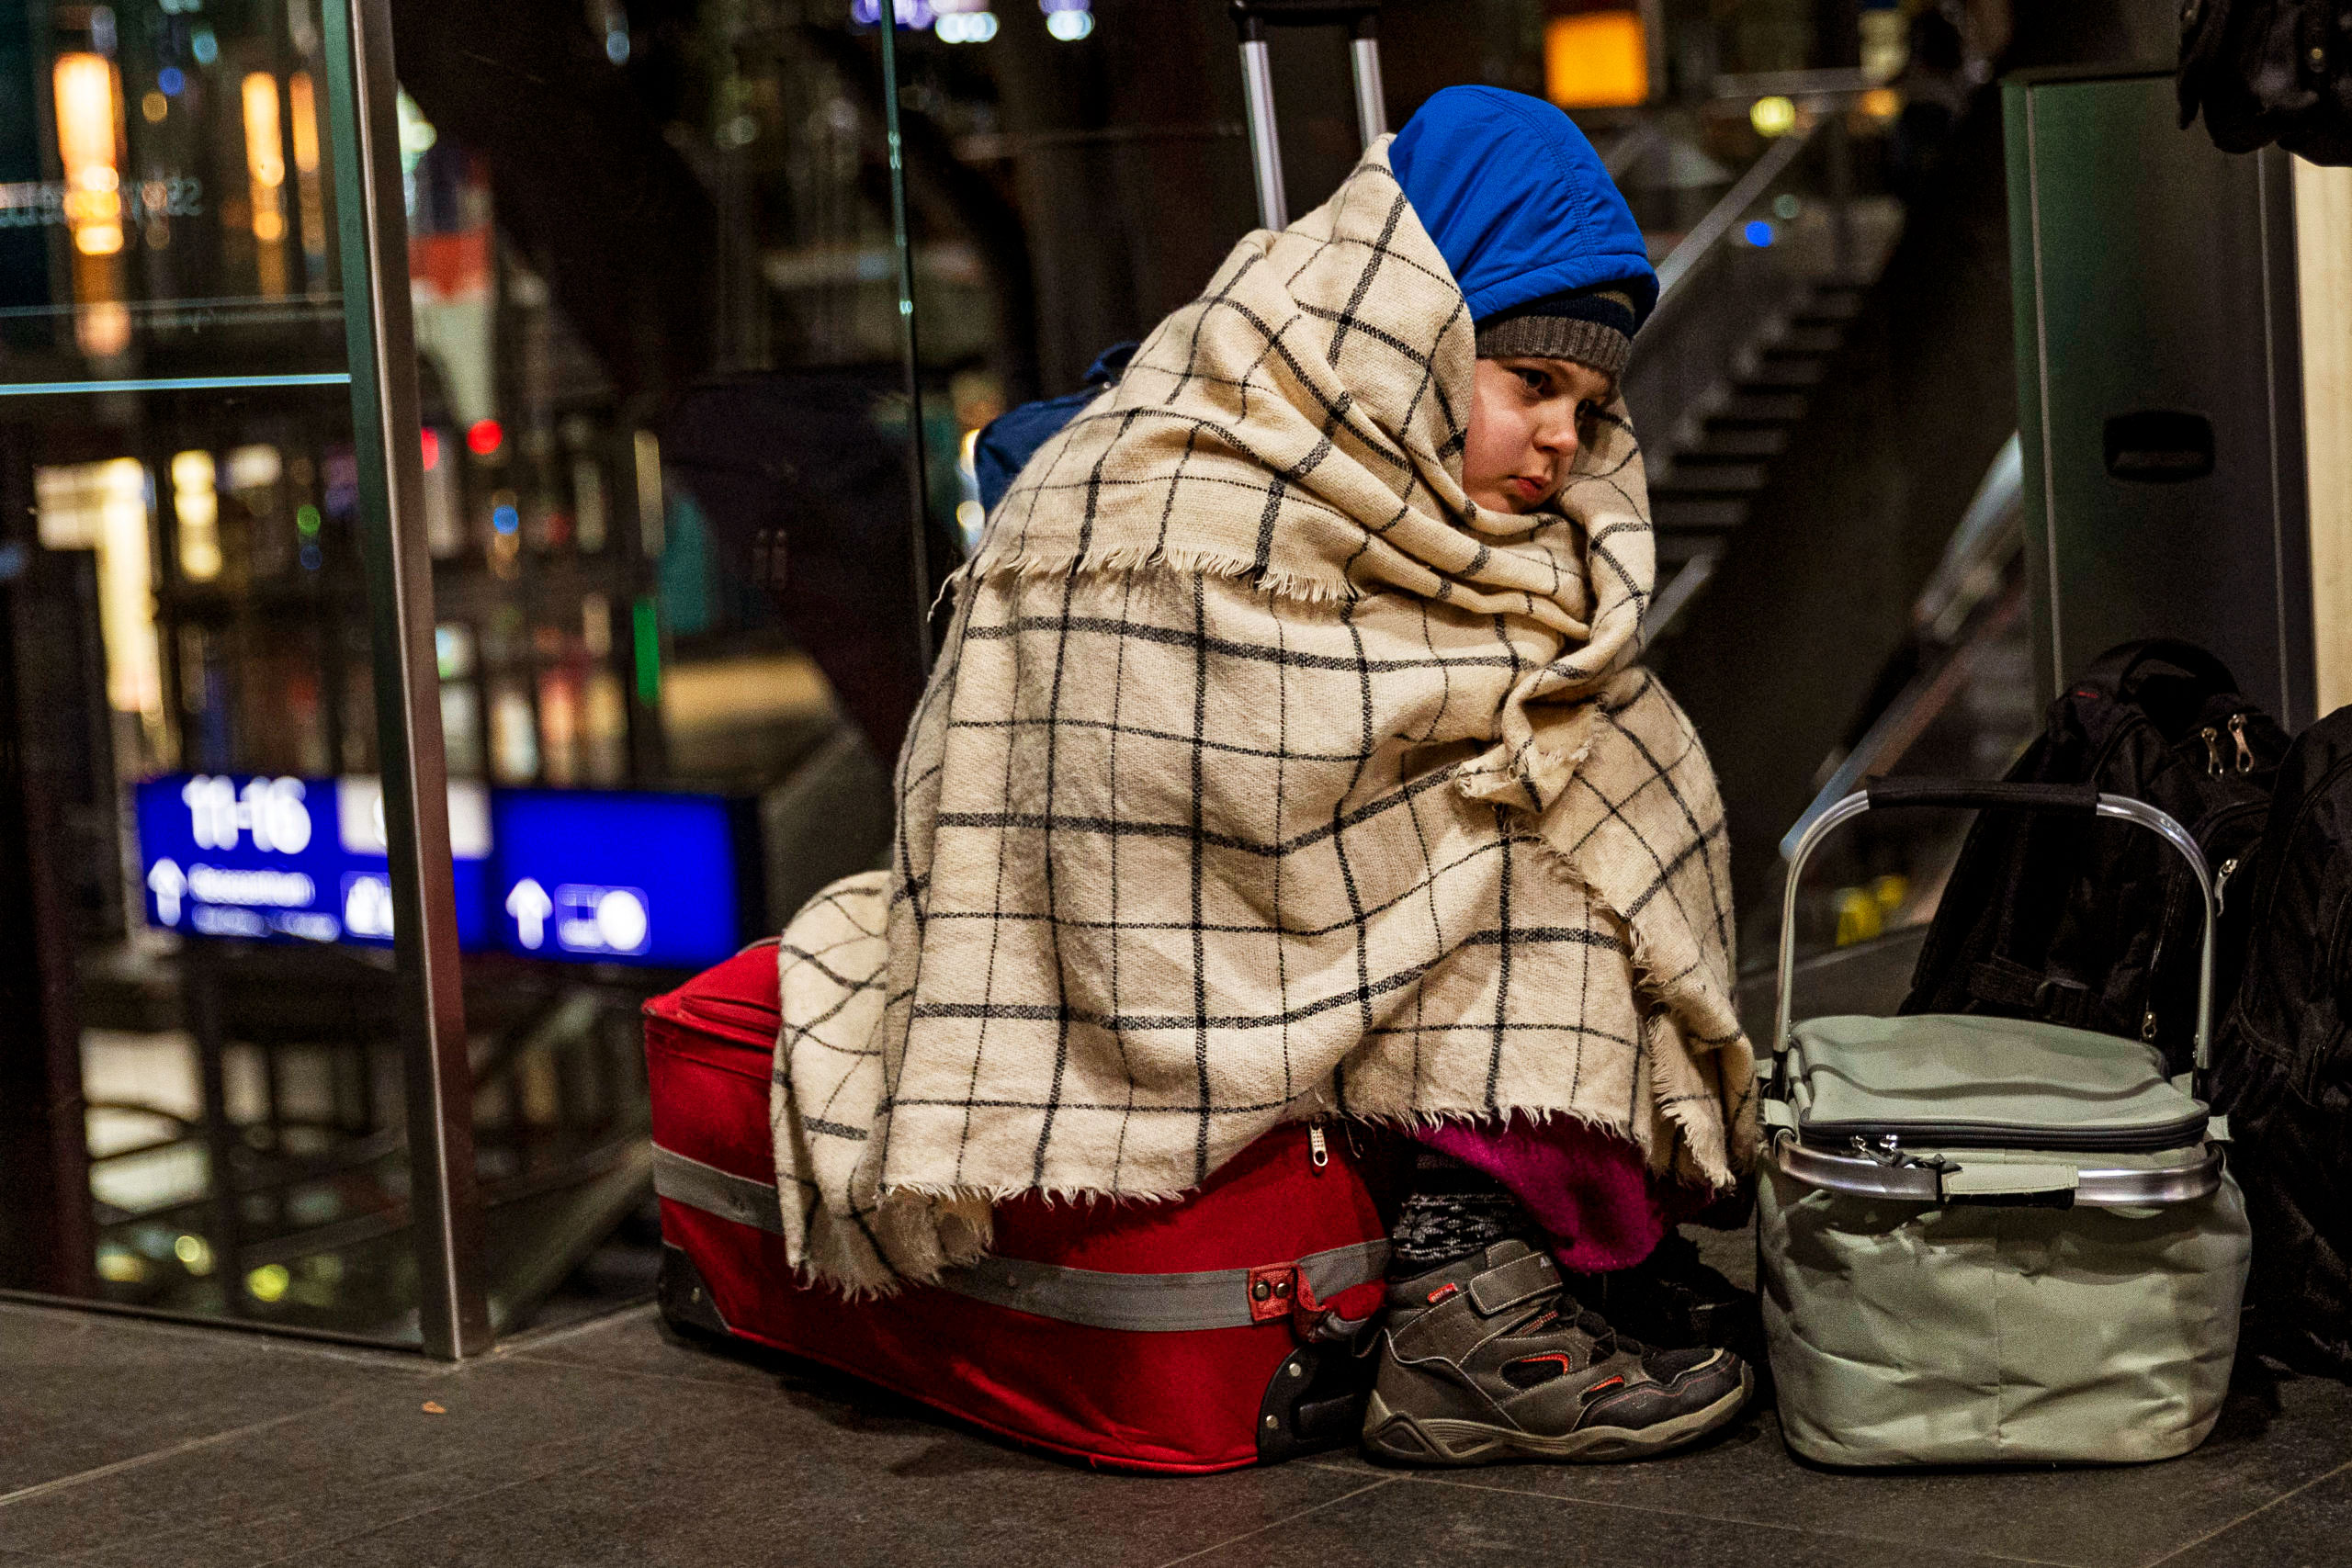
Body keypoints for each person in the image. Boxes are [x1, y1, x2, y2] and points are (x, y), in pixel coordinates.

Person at [769, 85, 1758, 1468]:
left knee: (1597, 775)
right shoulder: (1173, 466)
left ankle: (1595, 1237)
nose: (1562, 441)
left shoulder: (1432, 487)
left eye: (1587, 406)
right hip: (1153, 940)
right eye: (1532, 383)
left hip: (1302, 903)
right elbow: (1145, 776)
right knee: (1532, 867)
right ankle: (1462, 1305)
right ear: (1411, 324)